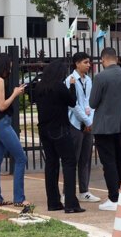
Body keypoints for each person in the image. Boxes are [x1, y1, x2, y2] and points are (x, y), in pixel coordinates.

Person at [88, 47, 121, 209]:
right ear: (116, 58)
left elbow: (92, 103)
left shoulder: (100, 77)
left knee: (108, 162)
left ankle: (114, 198)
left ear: (103, 59)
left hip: (104, 126)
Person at [33, 57, 83, 212]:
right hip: (59, 129)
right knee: (69, 162)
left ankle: (53, 202)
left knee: (51, 164)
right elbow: (72, 101)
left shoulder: (40, 87)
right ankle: (71, 203)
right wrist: (72, 86)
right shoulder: (59, 86)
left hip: (44, 130)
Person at [0, 54, 29, 206]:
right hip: (1, 123)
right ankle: (19, 198)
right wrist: (15, 94)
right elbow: (2, 106)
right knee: (21, 158)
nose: (11, 66)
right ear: (4, 64)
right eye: (9, 63)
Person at [66, 52, 100, 202]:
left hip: (88, 124)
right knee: (72, 159)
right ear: (77, 64)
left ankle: (84, 191)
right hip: (75, 124)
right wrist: (86, 121)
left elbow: (90, 102)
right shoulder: (70, 80)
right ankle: (67, 192)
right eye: (85, 62)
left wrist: (90, 121)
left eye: (89, 62)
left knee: (85, 158)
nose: (88, 65)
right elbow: (73, 104)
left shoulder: (89, 80)